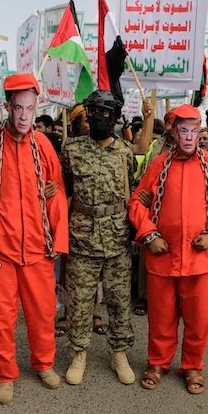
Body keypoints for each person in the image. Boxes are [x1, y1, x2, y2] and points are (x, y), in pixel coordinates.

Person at [0, 73, 68, 405]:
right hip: (0, 250)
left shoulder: (44, 145)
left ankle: (44, 364)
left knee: (43, 314)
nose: (25, 116)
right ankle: (4, 375)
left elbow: (56, 193)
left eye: (30, 108)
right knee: (0, 318)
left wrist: (58, 241)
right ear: (7, 106)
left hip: (39, 249)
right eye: (18, 108)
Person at [129, 104, 208, 394]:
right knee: (161, 315)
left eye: (194, 131)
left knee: (199, 319)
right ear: (173, 133)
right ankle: (158, 362)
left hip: (199, 260)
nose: (189, 137)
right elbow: (138, 204)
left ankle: (192, 366)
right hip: (163, 257)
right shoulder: (159, 164)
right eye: (183, 131)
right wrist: (149, 235)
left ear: (200, 132)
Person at [59, 90, 137, 386]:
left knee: (119, 300)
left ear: (115, 117)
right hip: (82, 236)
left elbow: (132, 186)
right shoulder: (72, 149)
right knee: (79, 301)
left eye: (104, 113)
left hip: (117, 238)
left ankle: (119, 352)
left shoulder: (125, 152)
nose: (98, 118)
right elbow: (66, 186)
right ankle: (79, 353)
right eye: (93, 113)